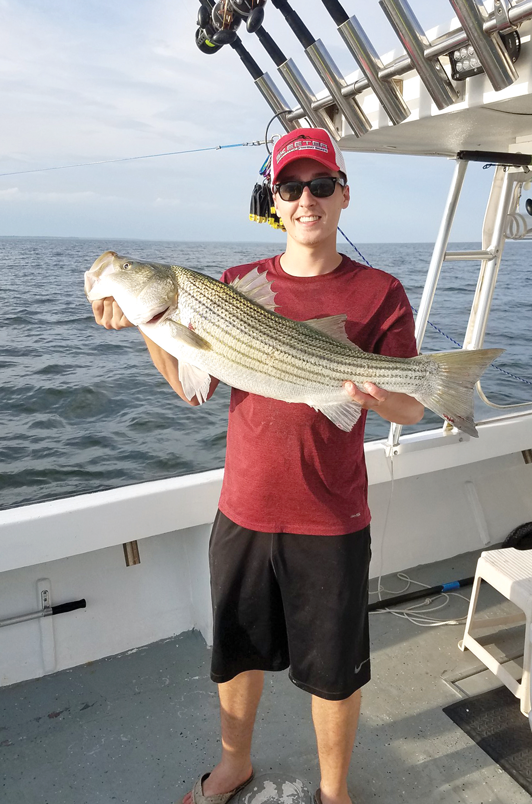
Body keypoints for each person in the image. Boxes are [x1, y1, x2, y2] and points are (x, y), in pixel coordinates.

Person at [91, 127, 424, 804]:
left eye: (321, 185)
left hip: (331, 515)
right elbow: (194, 388)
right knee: (236, 652)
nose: (307, 200)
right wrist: (150, 332)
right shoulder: (237, 285)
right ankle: (233, 763)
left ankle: (335, 793)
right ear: (275, 201)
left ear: (343, 196)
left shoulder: (379, 292)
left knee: (334, 671)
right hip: (243, 506)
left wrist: (376, 391)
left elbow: (411, 410)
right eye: (292, 188)